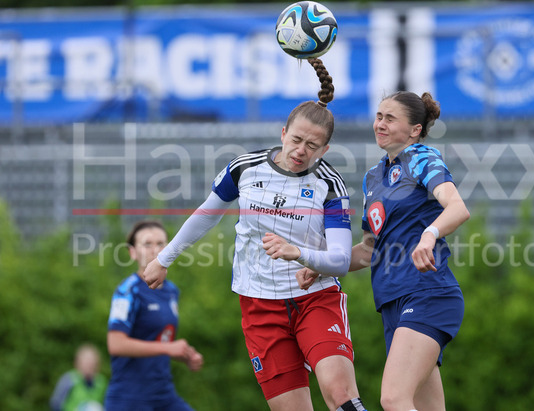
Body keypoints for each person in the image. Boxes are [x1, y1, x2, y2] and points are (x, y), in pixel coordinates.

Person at [143, 58, 367, 411]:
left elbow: (339, 261)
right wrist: (163, 258)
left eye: (312, 145)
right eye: (296, 139)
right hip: (259, 305)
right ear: (283, 133)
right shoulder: (245, 168)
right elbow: (206, 214)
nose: (301, 150)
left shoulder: (329, 184)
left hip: (315, 299)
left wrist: (298, 253)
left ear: (325, 150)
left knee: (341, 396)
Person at [299, 91, 470, 411]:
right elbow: (369, 251)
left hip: (426, 294)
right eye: (379, 116)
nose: (380, 124)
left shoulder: (421, 157)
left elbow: (458, 208)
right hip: (393, 303)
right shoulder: (373, 178)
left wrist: (429, 234)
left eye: (390, 118)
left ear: (415, 130)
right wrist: (321, 264)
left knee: (393, 398)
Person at [105, 220, 203, 411]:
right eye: (147, 244)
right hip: (130, 399)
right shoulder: (128, 291)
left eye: (161, 244)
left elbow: (158, 341)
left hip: (163, 394)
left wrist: (185, 354)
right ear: (133, 252)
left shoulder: (171, 291)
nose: (155, 250)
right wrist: (168, 348)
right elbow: (115, 344)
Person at [50, 343, 107, 411]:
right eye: (87, 361)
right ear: (78, 362)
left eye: (92, 362)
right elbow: (55, 403)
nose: (90, 365)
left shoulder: (101, 381)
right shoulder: (69, 379)